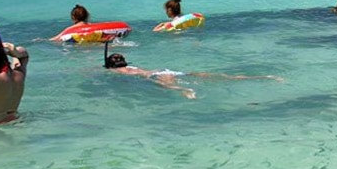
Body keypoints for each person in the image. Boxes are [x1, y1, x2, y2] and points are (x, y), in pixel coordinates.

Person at [103, 50, 281, 99]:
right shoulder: (132, 67)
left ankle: (186, 91)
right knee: (218, 76)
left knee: (171, 86)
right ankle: (265, 77)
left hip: (157, 75)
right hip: (167, 70)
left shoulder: (119, 71)